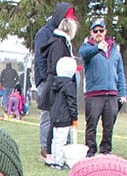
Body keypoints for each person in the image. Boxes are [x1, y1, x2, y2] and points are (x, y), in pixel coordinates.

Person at [34, 2, 77, 160]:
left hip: (59, 83)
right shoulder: (45, 34)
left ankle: (63, 148)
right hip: (48, 82)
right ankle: (46, 149)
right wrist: (47, 81)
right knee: (47, 115)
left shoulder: (63, 39)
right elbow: (40, 59)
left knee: (62, 113)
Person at [79, 17, 127, 157]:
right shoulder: (87, 47)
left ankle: (106, 151)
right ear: (91, 33)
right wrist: (97, 48)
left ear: (105, 31)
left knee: (109, 126)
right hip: (94, 94)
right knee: (91, 125)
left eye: (101, 30)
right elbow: (84, 54)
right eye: (95, 31)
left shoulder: (115, 50)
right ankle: (90, 151)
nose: (98, 33)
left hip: (112, 94)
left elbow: (120, 73)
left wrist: (122, 93)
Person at [46, 56, 78, 170]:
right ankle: (59, 162)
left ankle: (54, 159)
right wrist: (74, 117)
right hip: (64, 116)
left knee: (55, 139)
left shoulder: (54, 84)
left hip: (55, 115)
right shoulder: (69, 85)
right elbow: (71, 102)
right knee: (61, 140)